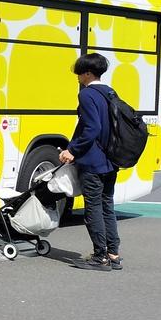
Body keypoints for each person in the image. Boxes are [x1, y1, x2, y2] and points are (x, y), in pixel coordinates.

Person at [58, 53, 121, 270]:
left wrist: (72, 150)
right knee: (107, 206)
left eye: (79, 72)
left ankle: (100, 256)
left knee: (93, 207)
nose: (77, 76)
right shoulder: (110, 92)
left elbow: (92, 127)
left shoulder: (87, 94)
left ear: (87, 73)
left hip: (93, 161)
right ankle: (113, 254)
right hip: (111, 159)